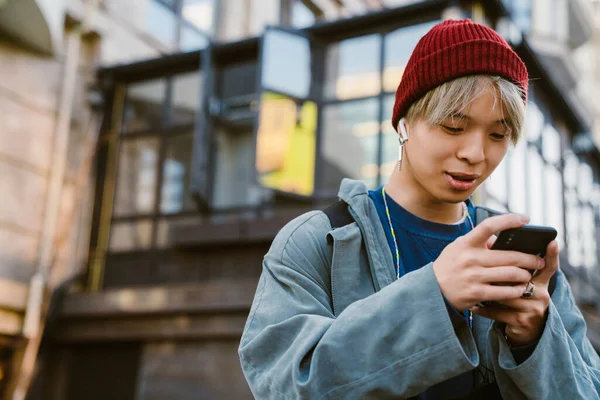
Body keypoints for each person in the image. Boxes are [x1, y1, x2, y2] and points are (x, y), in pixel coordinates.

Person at [238, 19, 600, 399]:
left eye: (498, 134)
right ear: (404, 123)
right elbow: (284, 386)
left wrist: (535, 339)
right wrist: (435, 293)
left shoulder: (518, 261)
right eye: (453, 127)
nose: (475, 154)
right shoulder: (318, 241)